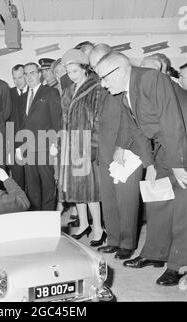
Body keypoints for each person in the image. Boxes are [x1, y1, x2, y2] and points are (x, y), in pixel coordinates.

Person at [96, 51, 187, 286]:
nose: (103, 85)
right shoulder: (125, 93)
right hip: (164, 150)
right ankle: (154, 254)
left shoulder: (151, 79)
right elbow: (136, 129)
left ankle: (178, 265)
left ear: (119, 70)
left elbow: (172, 120)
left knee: (182, 209)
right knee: (157, 201)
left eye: (105, 78)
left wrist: (178, 164)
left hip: (181, 148)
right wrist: (150, 165)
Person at [88, 46, 152, 259]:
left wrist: (122, 146)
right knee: (109, 198)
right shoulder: (101, 83)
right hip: (103, 149)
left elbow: (132, 118)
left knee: (126, 199)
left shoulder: (126, 83)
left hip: (125, 149)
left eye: (97, 63)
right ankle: (114, 239)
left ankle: (127, 242)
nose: (94, 68)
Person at [57, 48, 104, 242]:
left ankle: (99, 229)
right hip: (71, 144)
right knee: (77, 189)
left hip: (85, 144)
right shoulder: (69, 90)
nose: (71, 75)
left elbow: (99, 121)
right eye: (68, 72)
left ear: (85, 68)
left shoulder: (96, 88)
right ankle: (84, 223)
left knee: (90, 191)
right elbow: (64, 120)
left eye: (75, 71)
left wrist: (92, 148)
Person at [18, 62, 61, 210]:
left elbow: (56, 120)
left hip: (45, 147)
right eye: (26, 74)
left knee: (48, 183)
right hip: (28, 147)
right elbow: (22, 124)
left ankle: (48, 214)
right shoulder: (23, 97)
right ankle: (36, 216)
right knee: (32, 185)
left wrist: (55, 145)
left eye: (32, 73)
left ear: (39, 74)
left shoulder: (50, 93)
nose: (28, 77)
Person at [8, 64, 28, 190]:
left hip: (32, 144)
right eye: (14, 78)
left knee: (33, 181)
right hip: (14, 145)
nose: (17, 81)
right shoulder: (9, 94)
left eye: (20, 77)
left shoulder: (33, 93)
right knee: (17, 180)